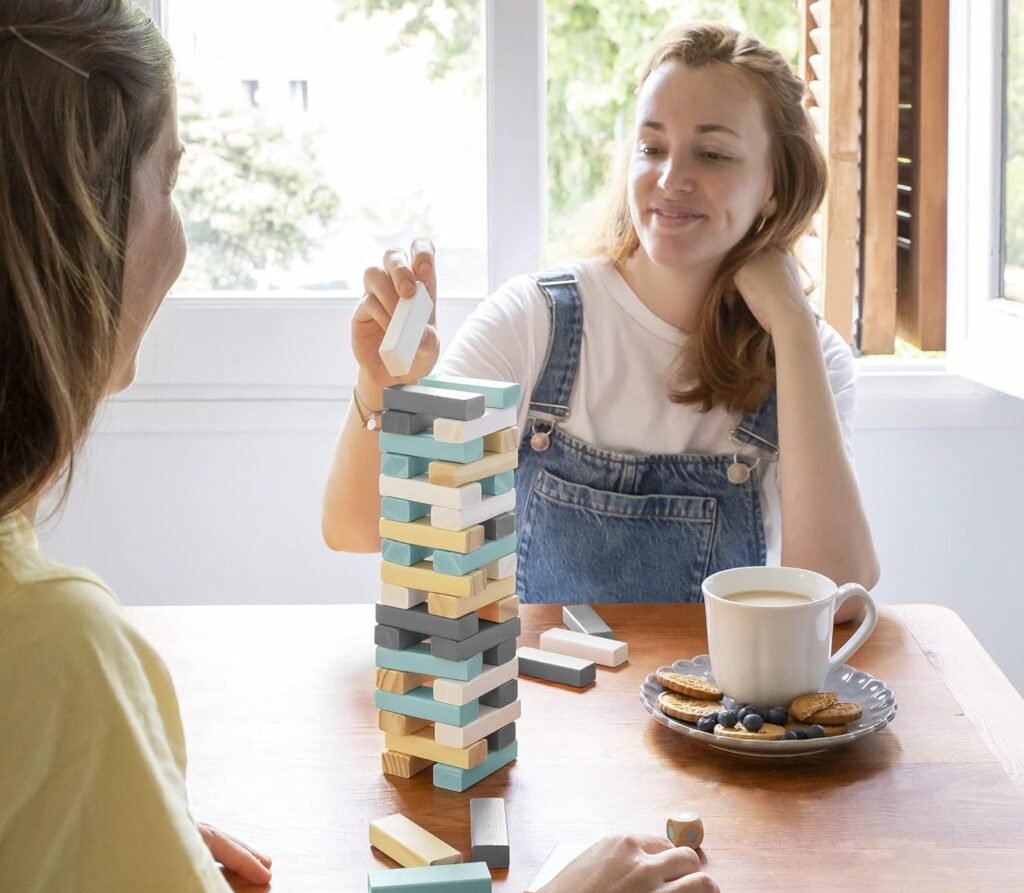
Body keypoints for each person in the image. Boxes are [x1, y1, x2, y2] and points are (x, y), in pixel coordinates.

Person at [0, 4, 721, 893]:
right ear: (80, 233)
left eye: (715, 151)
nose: (187, 238)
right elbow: (357, 520)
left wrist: (89, 840)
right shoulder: (48, 651)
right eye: (172, 178)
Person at [323, 21, 880, 621]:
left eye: (712, 153)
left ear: (776, 185)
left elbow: (838, 595)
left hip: (713, 712)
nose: (671, 179)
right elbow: (359, 530)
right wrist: (381, 382)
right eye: (652, 147)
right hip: (550, 706)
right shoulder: (535, 321)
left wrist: (793, 328)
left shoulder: (812, 359)